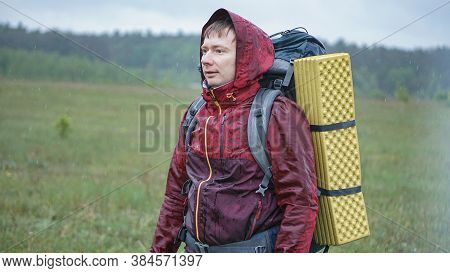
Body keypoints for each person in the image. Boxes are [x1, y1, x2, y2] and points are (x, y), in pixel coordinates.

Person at [149, 8, 318, 253]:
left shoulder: (277, 113)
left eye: (219, 51)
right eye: (204, 50)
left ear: (244, 58)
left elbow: (300, 204)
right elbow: (175, 197)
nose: (206, 59)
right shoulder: (196, 113)